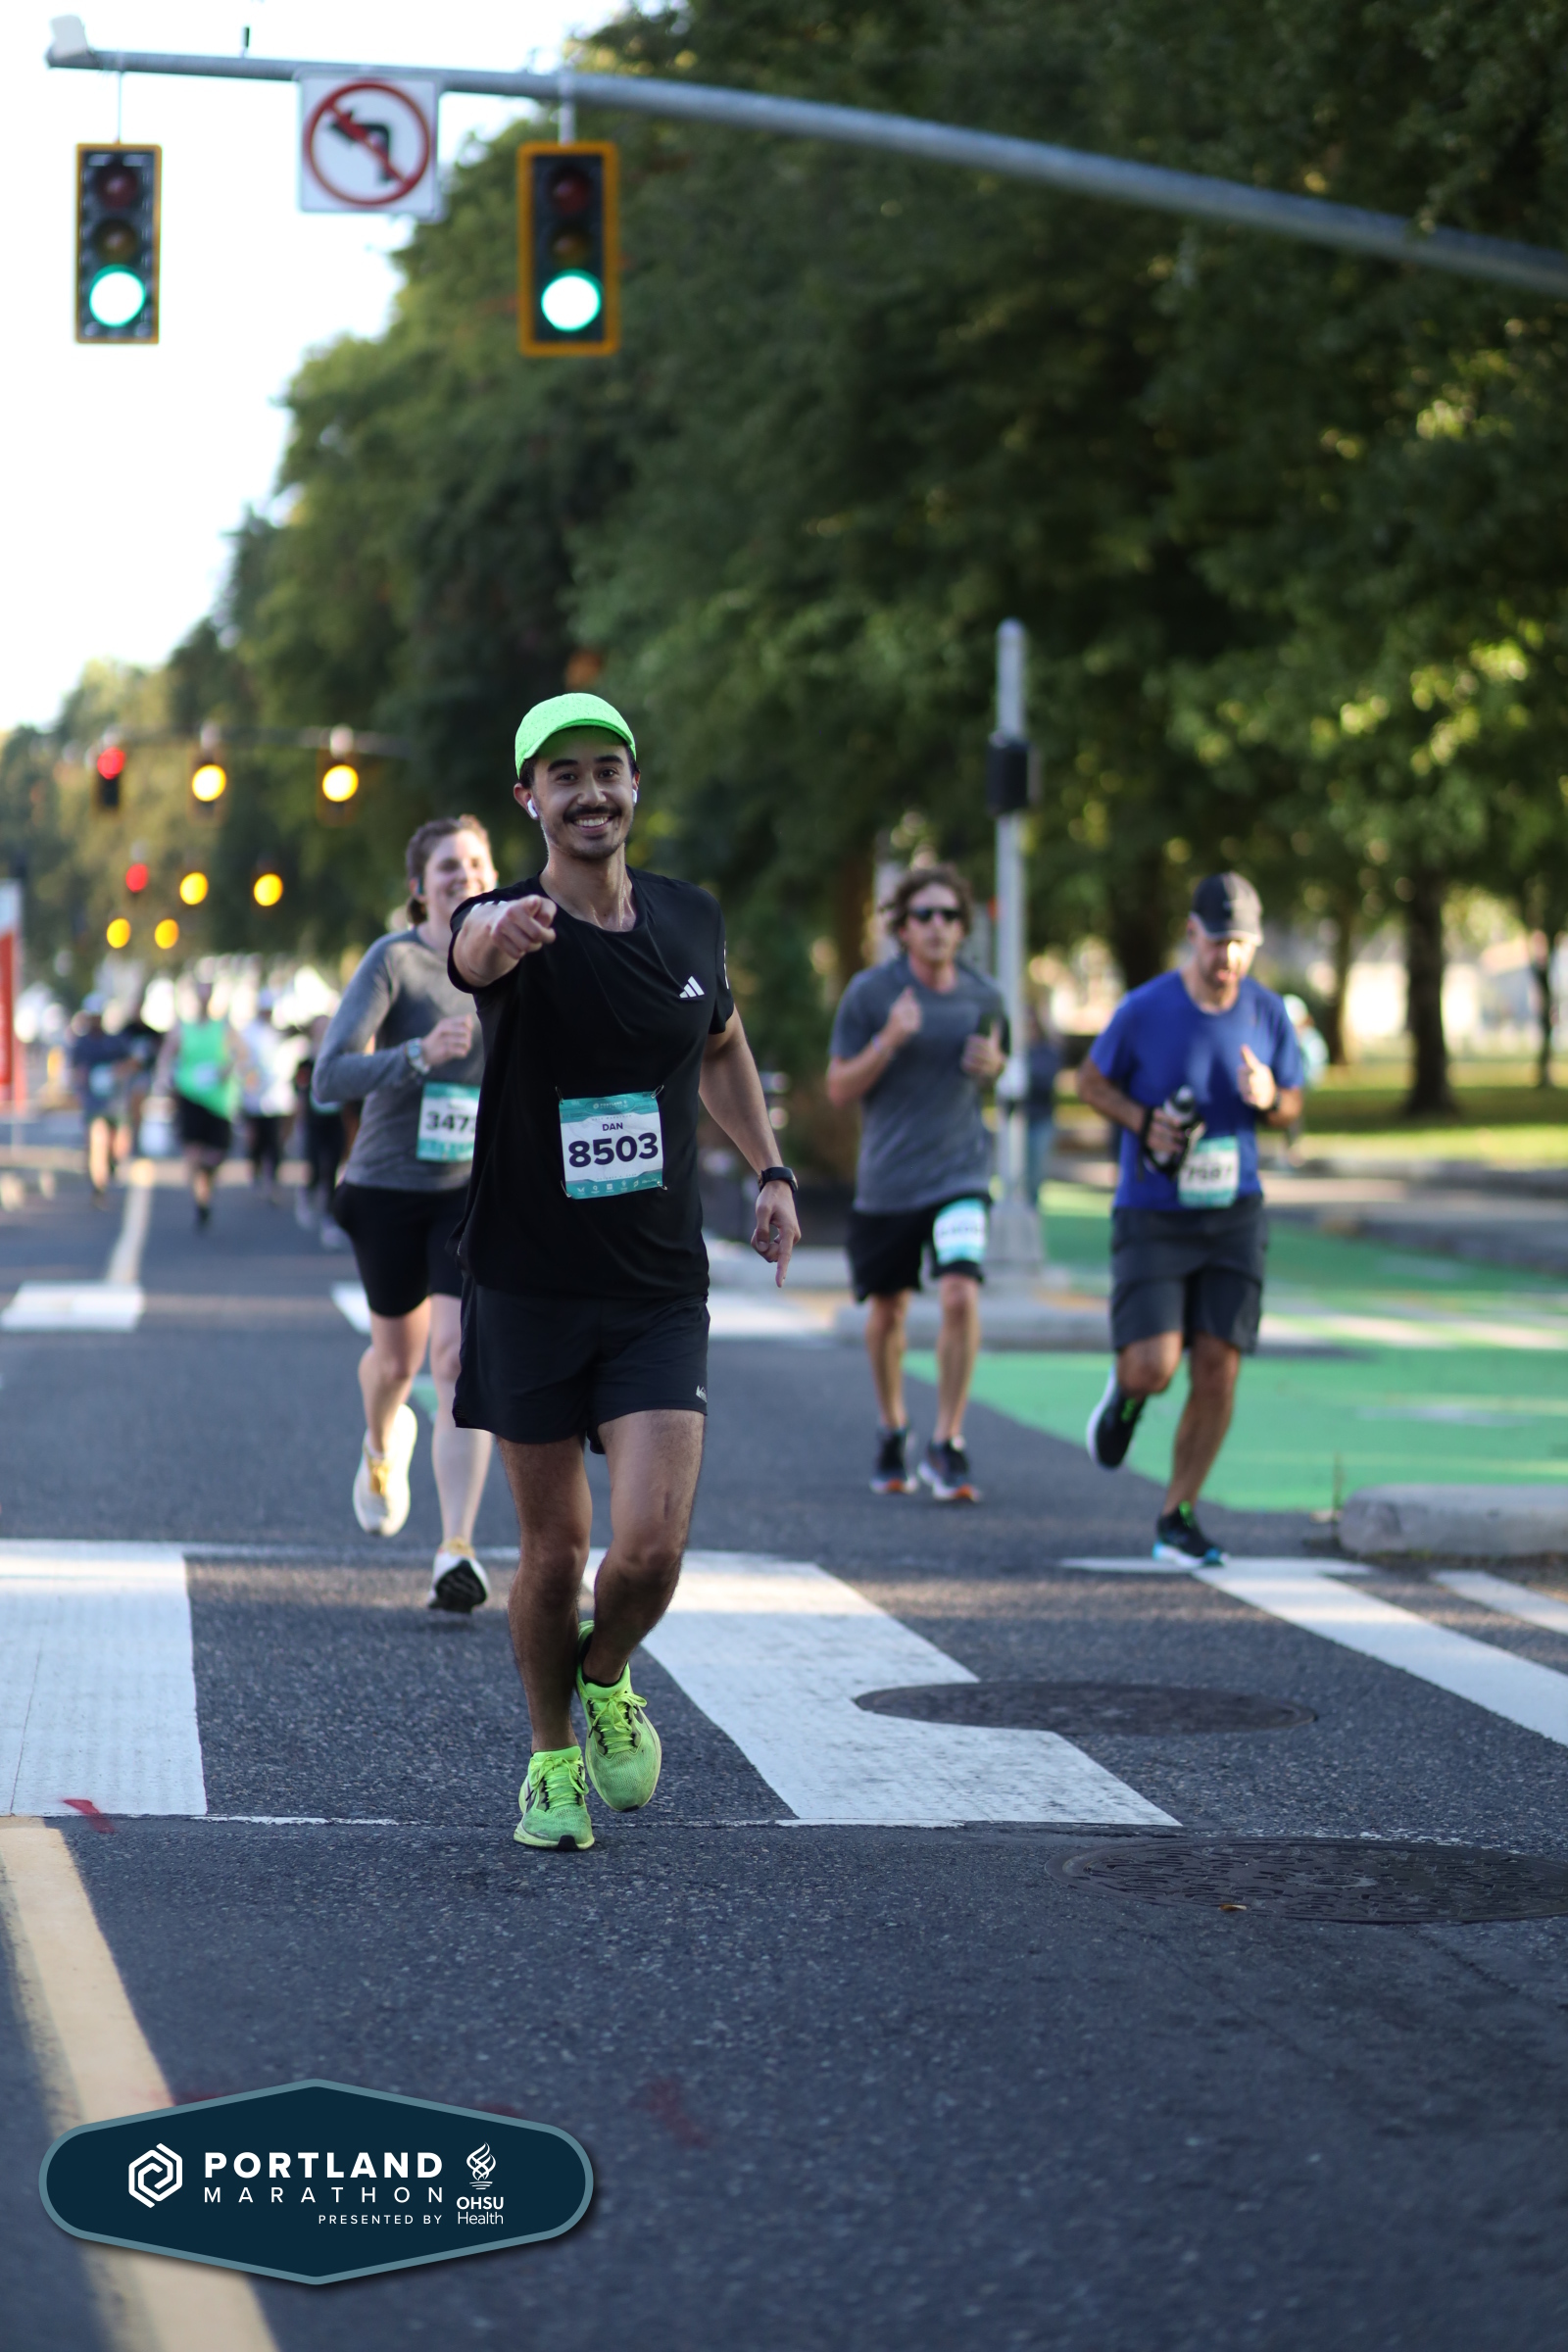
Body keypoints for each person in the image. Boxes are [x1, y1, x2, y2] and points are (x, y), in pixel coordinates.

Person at [448, 691, 799, 1852]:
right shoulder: (509, 920)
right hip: (528, 1283)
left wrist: (770, 1170)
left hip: (655, 1287)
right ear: (529, 799)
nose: (590, 792)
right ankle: (550, 1760)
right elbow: (470, 951)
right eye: (564, 777)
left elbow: (722, 1043)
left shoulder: (690, 918)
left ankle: (605, 1675)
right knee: (553, 1552)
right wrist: (497, 933)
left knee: (648, 1551)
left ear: (634, 784)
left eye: (608, 770)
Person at [1076, 872, 1304, 1564]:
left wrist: (1271, 1096)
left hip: (1234, 1213)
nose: (1228, 957)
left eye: (1242, 944)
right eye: (1217, 941)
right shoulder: (1145, 1009)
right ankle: (1126, 1395)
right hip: (1153, 1211)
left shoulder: (1267, 1012)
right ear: (1192, 934)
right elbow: (1090, 1082)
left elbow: (1292, 1105)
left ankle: (1177, 1514)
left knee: (1218, 1367)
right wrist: (1142, 1120)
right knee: (1154, 1366)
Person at [312, 818, 500, 1613]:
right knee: (397, 1362)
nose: (464, 875)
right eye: (447, 866)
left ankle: (457, 1548)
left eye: (476, 862)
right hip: (387, 1186)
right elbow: (329, 1077)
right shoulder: (396, 960)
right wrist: (420, 1054)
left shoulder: (520, 960)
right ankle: (381, 1441)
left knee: (455, 1360)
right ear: (421, 886)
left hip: (469, 1190)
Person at [826, 863, 1006, 1502]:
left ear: (962, 927)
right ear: (902, 928)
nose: (937, 927)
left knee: (960, 1294)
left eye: (949, 916)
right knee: (888, 1312)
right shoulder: (871, 994)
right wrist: (889, 1040)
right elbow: (839, 1087)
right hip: (890, 1179)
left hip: (960, 1172)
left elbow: (996, 1065)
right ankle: (892, 1426)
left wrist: (996, 1066)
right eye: (924, 915)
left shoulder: (985, 997)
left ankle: (947, 1440)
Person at [155, 978, 237, 1227]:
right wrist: (164, 1080)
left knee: (215, 1155)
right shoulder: (183, 1028)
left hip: (218, 1101)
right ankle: (200, 1201)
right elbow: (166, 1057)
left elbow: (241, 1054)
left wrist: (228, 1069)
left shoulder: (223, 1027)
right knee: (192, 1152)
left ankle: (206, 1182)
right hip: (190, 1096)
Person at [236, 990, 300, 1203]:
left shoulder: (279, 1033)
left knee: (275, 1142)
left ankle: (273, 1181)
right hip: (254, 1098)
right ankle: (256, 1172)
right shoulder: (249, 1033)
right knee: (257, 1141)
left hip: (276, 1099)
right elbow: (242, 1061)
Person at [69, 997, 133, 1204]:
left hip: (114, 1102)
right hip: (94, 1102)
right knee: (97, 1140)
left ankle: (112, 1162)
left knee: (118, 1145)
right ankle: (99, 1187)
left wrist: (116, 1072)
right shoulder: (82, 1044)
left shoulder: (115, 1042)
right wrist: (81, 1082)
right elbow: (75, 1071)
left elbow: (131, 1063)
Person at [1024, 1005, 1062, 1205]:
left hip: (1040, 1118)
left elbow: (1045, 1080)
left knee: (1035, 1175)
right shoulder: (1017, 1050)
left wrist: (1024, 1075)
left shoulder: (1046, 1051)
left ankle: (1032, 1212)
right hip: (1018, 1119)